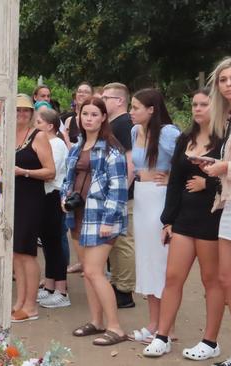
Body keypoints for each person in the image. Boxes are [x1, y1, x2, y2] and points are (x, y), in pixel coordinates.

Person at [143, 88, 225, 359]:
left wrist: (209, 182)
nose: (198, 109)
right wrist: (168, 219)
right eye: (194, 104)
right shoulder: (184, 139)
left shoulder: (226, 140)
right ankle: (163, 336)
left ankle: (210, 342)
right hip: (183, 220)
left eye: (204, 104)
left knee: (210, 281)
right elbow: (175, 181)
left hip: (212, 219)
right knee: (172, 278)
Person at [62, 96, 128, 346]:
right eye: (85, 114)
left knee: (93, 271)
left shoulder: (112, 149)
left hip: (101, 218)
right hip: (78, 215)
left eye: (94, 114)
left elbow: (119, 189)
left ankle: (116, 328)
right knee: (89, 274)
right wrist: (64, 196)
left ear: (103, 118)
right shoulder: (78, 145)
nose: (89, 118)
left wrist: (109, 221)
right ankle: (97, 321)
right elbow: (68, 178)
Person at [127, 88, 181, 344]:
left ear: (151, 109)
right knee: (146, 261)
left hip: (160, 198)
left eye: (136, 107)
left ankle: (167, 328)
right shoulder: (134, 131)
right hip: (141, 196)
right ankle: (153, 322)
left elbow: (186, 161)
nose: (131, 111)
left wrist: (172, 178)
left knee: (161, 262)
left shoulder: (169, 133)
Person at [203, 57, 231, 366]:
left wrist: (225, 166)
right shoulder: (230, 118)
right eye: (223, 79)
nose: (228, 84)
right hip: (228, 202)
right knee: (228, 282)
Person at [11, 93, 55, 322]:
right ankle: (20, 301)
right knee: (15, 252)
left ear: (32, 113)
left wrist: (24, 172)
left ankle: (31, 306)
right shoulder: (7, 134)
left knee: (27, 252)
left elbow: (50, 171)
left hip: (30, 199)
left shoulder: (38, 136)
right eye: (17, 109)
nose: (21, 113)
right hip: (11, 198)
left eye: (26, 110)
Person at [102, 82, 136, 309]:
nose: (102, 100)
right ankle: (115, 282)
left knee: (123, 241)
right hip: (112, 192)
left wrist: (121, 191)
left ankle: (124, 290)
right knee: (113, 241)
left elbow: (130, 162)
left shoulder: (124, 124)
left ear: (119, 100)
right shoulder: (114, 124)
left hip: (122, 193)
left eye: (106, 97)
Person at [35, 108, 70, 309]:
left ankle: (61, 290)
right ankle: (49, 285)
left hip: (54, 195)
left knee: (55, 243)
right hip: (46, 196)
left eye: (39, 122)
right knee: (48, 243)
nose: (35, 126)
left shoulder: (56, 144)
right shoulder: (47, 143)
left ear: (50, 126)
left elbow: (50, 170)